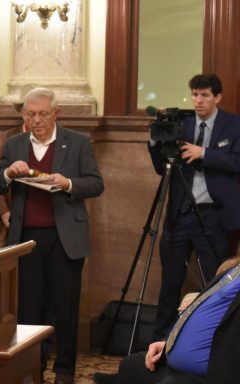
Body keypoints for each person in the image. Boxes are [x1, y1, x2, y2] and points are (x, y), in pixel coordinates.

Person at [0, 87, 104, 384]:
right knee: (29, 308)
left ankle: (64, 371)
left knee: (66, 308)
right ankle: (33, 368)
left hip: (66, 238)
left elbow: (95, 183)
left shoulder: (77, 142)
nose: (36, 120)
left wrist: (68, 184)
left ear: (56, 113)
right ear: (23, 115)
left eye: (42, 114)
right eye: (30, 114)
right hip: (26, 239)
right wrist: (8, 174)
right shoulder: (14, 144)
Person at [148, 74, 240, 341]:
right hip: (180, 214)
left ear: (217, 97)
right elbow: (161, 168)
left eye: (205, 95)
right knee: (170, 282)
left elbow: (237, 162)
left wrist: (205, 154)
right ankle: (161, 341)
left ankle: (213, 341)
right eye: (195, 95)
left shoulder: (233, 125)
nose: (198, 101)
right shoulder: (182, 125)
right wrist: (154, 141)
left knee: (215, 281)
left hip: (214, 215)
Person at [92, 256, 240, 384]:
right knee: (130, 365)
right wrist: (168, 343)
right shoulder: (233, 269)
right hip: (173, 366)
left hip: (206, 376)